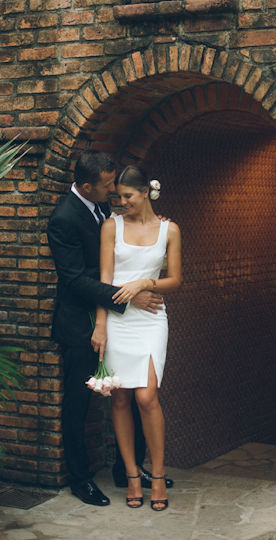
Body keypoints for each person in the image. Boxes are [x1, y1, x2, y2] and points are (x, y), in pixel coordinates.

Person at [47, 152, 168, 506]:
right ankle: (80, 478)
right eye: (107, 185)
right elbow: (73, 280)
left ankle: (126, 469)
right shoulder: (64, 219)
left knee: (131, 393)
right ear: (87, 186)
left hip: (119, 317)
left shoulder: (106, 211)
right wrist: (128, 298)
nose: (114, 189)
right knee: (79, 402)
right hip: (81, 323)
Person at [91, 166, 181, 511]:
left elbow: (174, 279)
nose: (121, 202)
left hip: (151, 319)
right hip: (116, 319)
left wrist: (144, 284)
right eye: (117, 197)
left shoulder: (170, 230)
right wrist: (100, 326)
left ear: (146, 193)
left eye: (127, 196)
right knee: (119, 400)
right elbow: (104, 279)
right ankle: (131, 474)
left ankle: (157, 475)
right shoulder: (110, 226)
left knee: (147, 397)